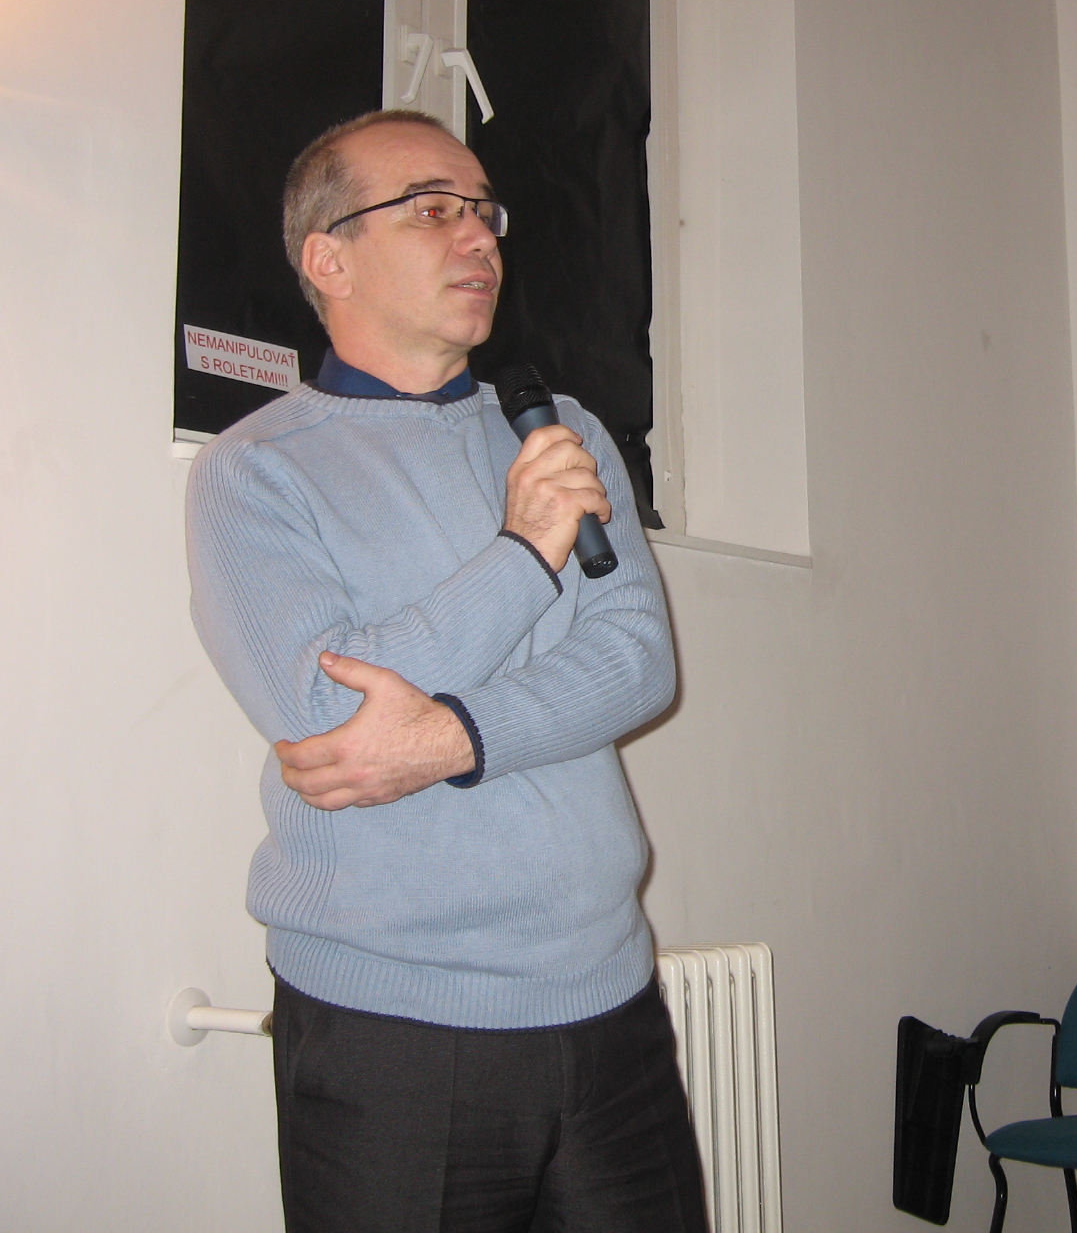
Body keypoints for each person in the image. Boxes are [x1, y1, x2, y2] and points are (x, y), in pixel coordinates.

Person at [186, 109, 707, 1232]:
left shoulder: (560, 430)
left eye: (482, 211)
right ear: (328, 258)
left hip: (611, 1002)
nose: (478, 236)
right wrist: (523, 554)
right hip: (393, 1039)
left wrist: (453, 737)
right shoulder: (254, 472)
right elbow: (330, 716)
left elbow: (634, 661)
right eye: (431, 210)